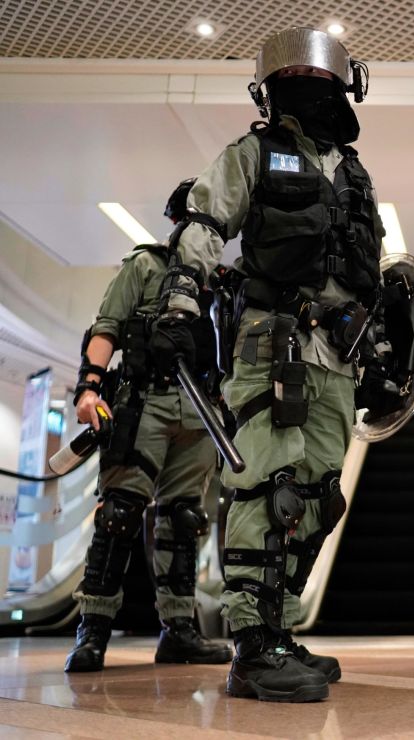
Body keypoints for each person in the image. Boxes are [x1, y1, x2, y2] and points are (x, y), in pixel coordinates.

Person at [151, 27, 388, 702]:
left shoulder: (354, 173)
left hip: (338, 356)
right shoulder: (251, 153)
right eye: (299, 83)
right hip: (272, 344)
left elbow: (369, 274)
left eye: (323, 83)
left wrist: (378, 355)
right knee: (268, 488)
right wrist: (177, 306)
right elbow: (203, 224)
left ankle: (279, 632)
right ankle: (251, 647)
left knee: (319, 498)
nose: (312, 94)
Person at [64, 178, 231, 673]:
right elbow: (106, 327)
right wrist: (89, 388)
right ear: (181, 221)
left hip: (200, 411)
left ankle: (178, 631)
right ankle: (92, 631)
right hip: (145, 402)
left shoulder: (220, 282)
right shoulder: (145, 265)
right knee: (118, 515)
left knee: (184, 521)